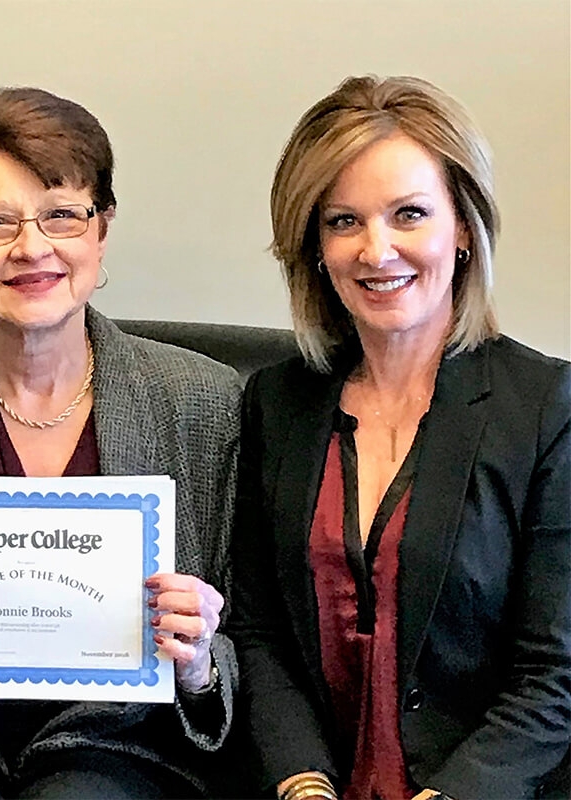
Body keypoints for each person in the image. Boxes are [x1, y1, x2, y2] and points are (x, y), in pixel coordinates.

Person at [0, 87, 242, 798]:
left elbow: (253, 640)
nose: (33, 248)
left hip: (126, 740)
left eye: (61, 214)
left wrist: (199, 661)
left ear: (101, 230)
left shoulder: (204, 404)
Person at [228, 75, 571, 800]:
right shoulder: (274, 403)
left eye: (409, 214)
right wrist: (303, 785)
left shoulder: (547, 408)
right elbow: (258, 637)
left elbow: (553, 676)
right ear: (314, 245)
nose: (376, 251)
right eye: (343, 221)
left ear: (464, 230)